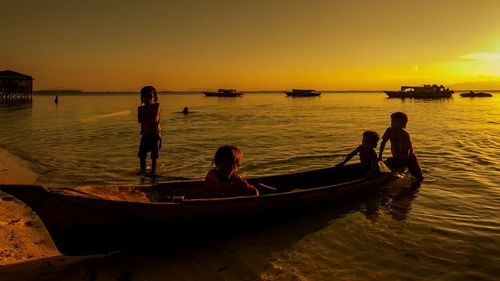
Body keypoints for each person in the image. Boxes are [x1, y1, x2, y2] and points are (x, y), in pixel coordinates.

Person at [378, 112, 423, 180]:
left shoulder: (404, 134)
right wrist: (380, 157)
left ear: (402, 123)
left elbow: (408, 149)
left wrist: (404, 159)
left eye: (394, 121)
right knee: (386, 163)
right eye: (392, 121)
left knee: (419, 177)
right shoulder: (389, 130)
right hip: (396, 157)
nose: (392, 123)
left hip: (409, 158)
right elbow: (383, 143)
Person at [137, 86, 161, 175]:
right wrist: (144, 115)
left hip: (155, 135)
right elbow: (140, 120)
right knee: (142, 155)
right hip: (145, 135)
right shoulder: (140, 108)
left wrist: (144, 115)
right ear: (142, 98)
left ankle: (153, 172)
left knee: (154, 156)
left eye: (150, 97)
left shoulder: (157, 106)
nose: (147, 99)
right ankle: (142, 171)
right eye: (145, 97)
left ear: (154, 98)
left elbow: (154, 119)